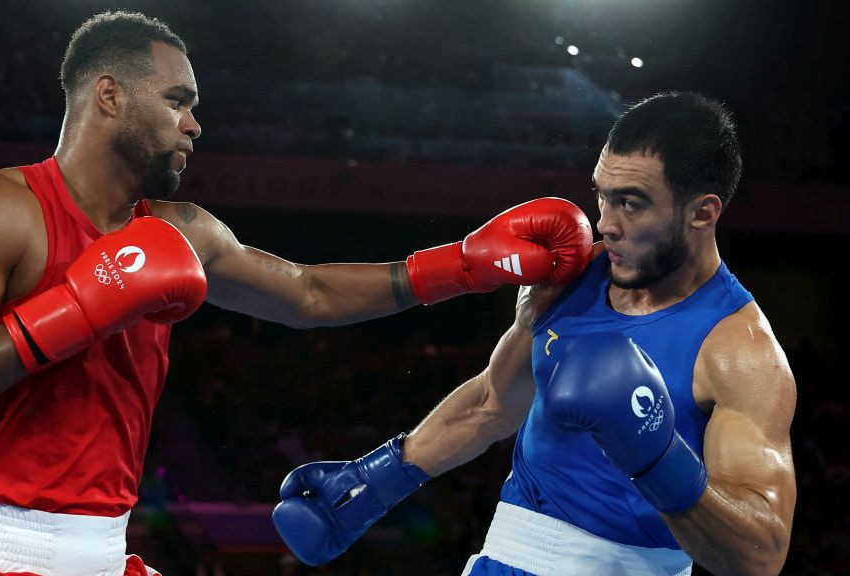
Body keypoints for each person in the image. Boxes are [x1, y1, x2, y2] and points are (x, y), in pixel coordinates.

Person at [0, 10, 594, 576]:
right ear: (109, 95)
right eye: (176, 101)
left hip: (104, 552)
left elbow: (306, 293)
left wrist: (463, 265)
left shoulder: (182, 232)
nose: (194, 123)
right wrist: (75, 310)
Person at [273, 92, 797, 576]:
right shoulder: (577, 275)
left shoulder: (740, 352)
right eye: (603, 196)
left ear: (703, 212)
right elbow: (493, 403)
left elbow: (762, 554)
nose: (606, 223)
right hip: (505, 559)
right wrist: (372, 484)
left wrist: (657, 457)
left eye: (631, 203)